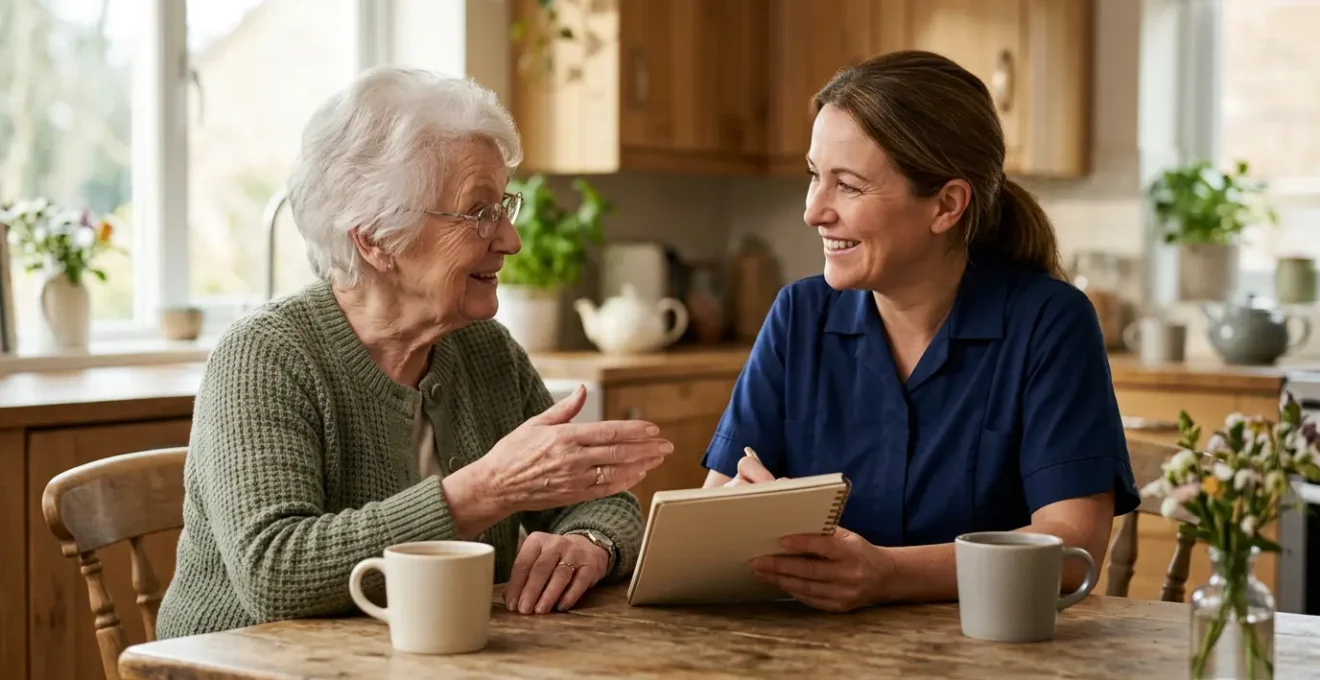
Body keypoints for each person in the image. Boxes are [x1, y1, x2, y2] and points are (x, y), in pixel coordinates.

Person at [156, 66, 673, 638]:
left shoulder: (484, 351)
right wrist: (488, 489)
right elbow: (276, 571)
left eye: (504, 207)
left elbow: (602, 501)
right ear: (376, 238)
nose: (509, 239)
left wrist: (588, 543)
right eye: (480, 213)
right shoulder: (266, 358)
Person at [701, 50, 1139, 613]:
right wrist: (735, 518)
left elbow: (1072, 548)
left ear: (947, 205)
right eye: (814, 176)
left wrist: (887, 574)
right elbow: (716, 506)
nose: (814, 211)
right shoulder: (797, 316)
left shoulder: (1049, 322)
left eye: (849, 186)